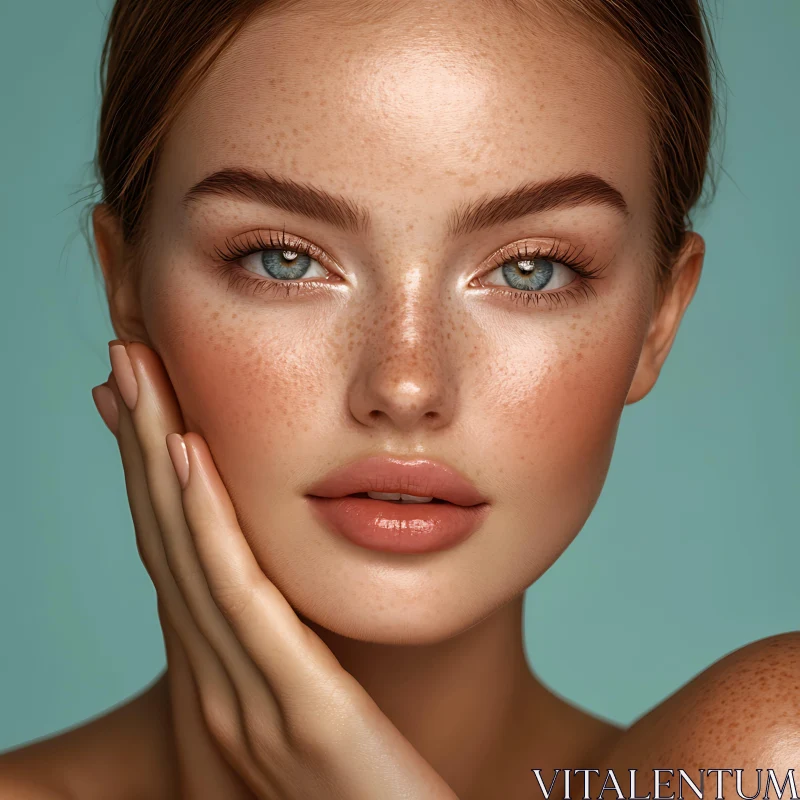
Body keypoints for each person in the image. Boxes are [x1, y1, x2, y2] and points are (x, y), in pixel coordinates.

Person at [1, 0, 798, 797]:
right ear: (126, 280)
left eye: (532, 269)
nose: (406, 385)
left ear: (659, 318)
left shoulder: (766, 764)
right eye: (282, 260)